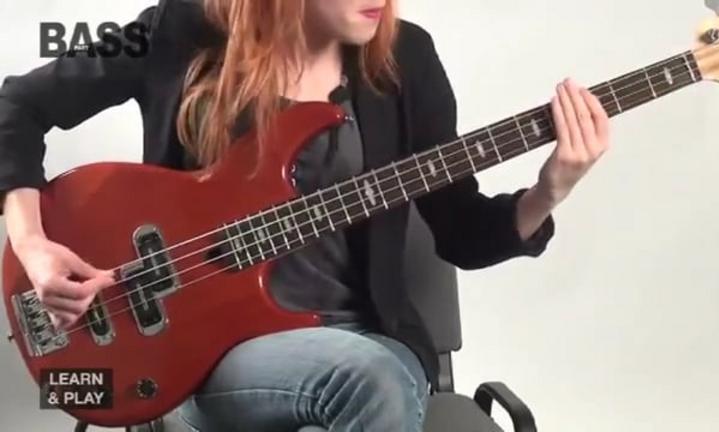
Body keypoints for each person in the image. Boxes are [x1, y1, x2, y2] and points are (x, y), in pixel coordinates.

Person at [0, 0, 610, 430]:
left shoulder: (407, 58)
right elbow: (17, 105)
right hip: (210, 356)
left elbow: (460, 231)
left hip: (370, 339)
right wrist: (30, 243)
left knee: (368, 380)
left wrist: (548, 190)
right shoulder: (175, 30)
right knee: (367, 382)